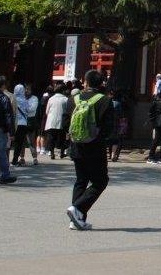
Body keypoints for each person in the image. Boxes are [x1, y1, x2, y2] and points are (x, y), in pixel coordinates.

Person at [66, 69, 114, 231]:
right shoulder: (105, 101)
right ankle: (77, 209)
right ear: (101, 83)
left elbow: (67, 121)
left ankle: (76, 220)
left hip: (76, 146)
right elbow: (109, 128)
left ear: (85, 82)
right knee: (101, 181)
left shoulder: (74, 99)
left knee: (81, 180)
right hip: (95, 147)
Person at [44, 85, 69, 160]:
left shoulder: (51, 99)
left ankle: (52, 153)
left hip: (51, 121)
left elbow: (47, 111)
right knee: (62, 137)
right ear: (63, 91)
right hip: (62, 121)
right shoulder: (65, 99)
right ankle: (61, 153)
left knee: (51, 138)